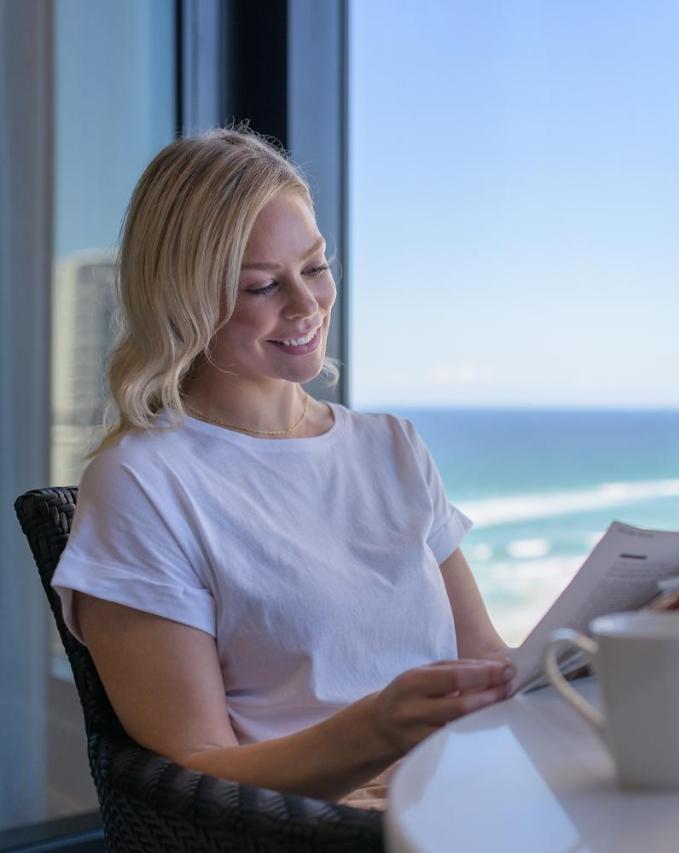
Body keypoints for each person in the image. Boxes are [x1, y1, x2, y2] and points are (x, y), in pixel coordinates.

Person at [50, 128, 514, 809]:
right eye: (262, 285)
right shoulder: (144, 483)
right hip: (324, 831)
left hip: (464, 797)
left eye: (316, 268)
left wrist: (619, 642)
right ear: (186, 300)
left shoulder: (393, 448)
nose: (306, 305)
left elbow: (490, 663)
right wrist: (375, 729)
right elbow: (195, 773)